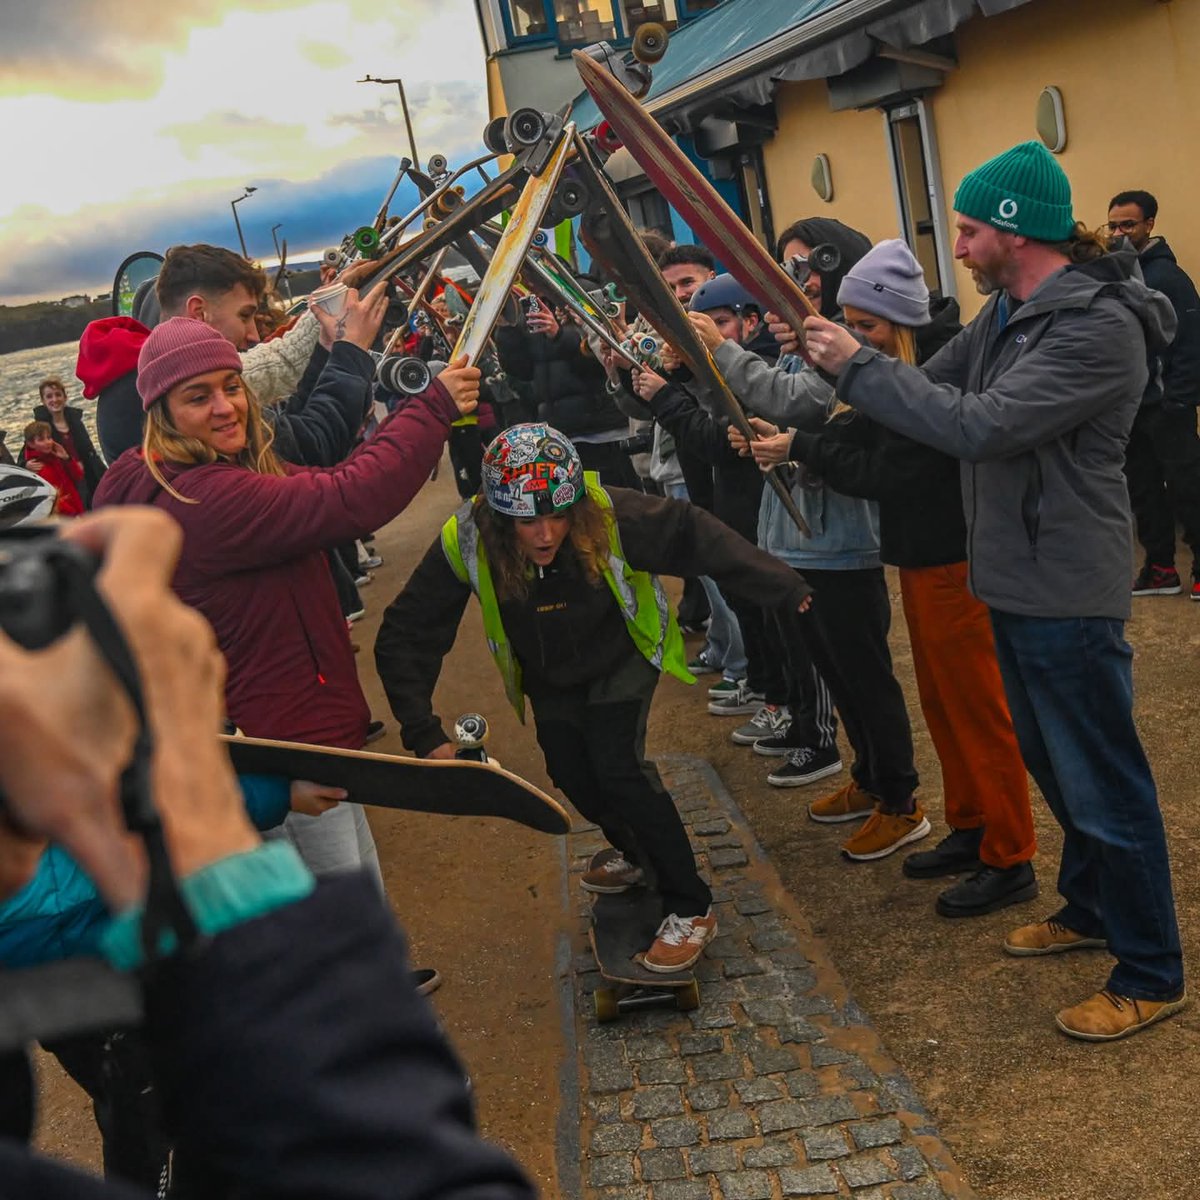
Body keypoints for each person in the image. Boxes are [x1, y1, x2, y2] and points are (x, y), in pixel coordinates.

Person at [0, 507, 536, 1200]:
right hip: (120, 993)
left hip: (122, 981)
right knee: (143, 1113)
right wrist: (202, 832)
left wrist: (261, 791)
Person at [802, 141, 1185, 1041]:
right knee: (1056, 769)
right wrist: (827, 367)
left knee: (1106, 784)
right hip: (1013, 579)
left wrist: (855, 365)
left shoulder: (1096, 325)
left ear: (1014, 231)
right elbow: (918, 394)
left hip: (1066, 590)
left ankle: (1151, 970)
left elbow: (979, 427)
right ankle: (1089, 910)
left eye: (968, 231)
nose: (959, 249)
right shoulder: (1009, 311)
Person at [374, 423, 813, 971]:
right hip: (549, 671)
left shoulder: (609, 513)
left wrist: (785, 586)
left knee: (617, 768)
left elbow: (694, 533)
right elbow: (407, 632)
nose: (544, 534)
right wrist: (423, 733)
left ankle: (689, 903)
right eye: (527, 521)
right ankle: (636, 855)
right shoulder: (465, 536)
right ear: (498, 514)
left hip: (622, 652)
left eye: (557, 516)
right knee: (570, 772)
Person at [93, 301, 481, 884]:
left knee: (357, 899)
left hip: (276, 736)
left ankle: (382, 976)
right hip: (281, 745)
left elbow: (326, 484)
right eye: (198, 397)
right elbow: (351, 497)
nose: (226, 407)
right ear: (162, 413)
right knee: (340, 926)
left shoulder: (161, 475)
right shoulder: (203, 501)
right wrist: (434, 407)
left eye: (232, 386)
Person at [750, 239, 1037, 915]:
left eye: (867, 326)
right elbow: (865, 440)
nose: (855, 338)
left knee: (978, 709)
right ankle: (970, 826)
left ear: (899, 324)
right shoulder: (905, 366)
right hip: (919, 562)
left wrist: (801, 447)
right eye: (849, 322)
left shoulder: (933, 376)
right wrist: (796, 444)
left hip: (954, 565)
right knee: (941, 702)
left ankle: (1010, 853)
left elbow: (893, 471)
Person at [80, 244, 378, 460]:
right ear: (198, 312)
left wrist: (328, 340)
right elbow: (312, 445)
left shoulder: (142, 378)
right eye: (244, 316)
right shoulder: (160, 391)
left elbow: (285, 423)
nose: (253, 335)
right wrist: (349, 347)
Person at [1105, 190, 1200, 598]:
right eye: (1113, 225)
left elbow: (1192, 343)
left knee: (1188, 488)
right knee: (1142, 490)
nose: (1119, 232)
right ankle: (1160, 568)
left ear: (1149, 226)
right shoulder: (1115, 276)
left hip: (1168, 407)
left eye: (1128, 224)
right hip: (1131, 409)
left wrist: (1180, 400)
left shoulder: (1168, 279)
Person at [32, 378, 106, 504]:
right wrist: (26, 465)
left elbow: (90, 452)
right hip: (63, 484)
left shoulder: (76, 422)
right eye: (49, 396)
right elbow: (28, 452)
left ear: (65, 397)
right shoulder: (39, 427)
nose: (54, 399)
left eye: (58, 395)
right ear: (43, 401)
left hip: (87, 478)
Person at [21, 421, 85, 516]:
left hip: (76, 510)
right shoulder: (36, 467)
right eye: (41, 439)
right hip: (65, 517)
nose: (48, 442)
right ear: (31, 444)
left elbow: (78, 476)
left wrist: (67, 458)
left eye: (49, 437)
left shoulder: (55, 457)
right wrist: (72, 514)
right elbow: (51, 497)